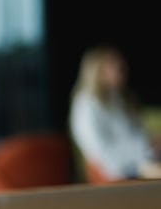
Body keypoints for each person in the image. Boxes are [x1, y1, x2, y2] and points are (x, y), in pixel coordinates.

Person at [69, 45, 160, 180]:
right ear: (97, 71)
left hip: (139, 159)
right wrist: (144, 150)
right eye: (113, 64)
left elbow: (135, 135)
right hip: (117, 167)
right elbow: (100, 150)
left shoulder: (119, 98)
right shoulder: (87, 104)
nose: (121, 67)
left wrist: (150, 144)